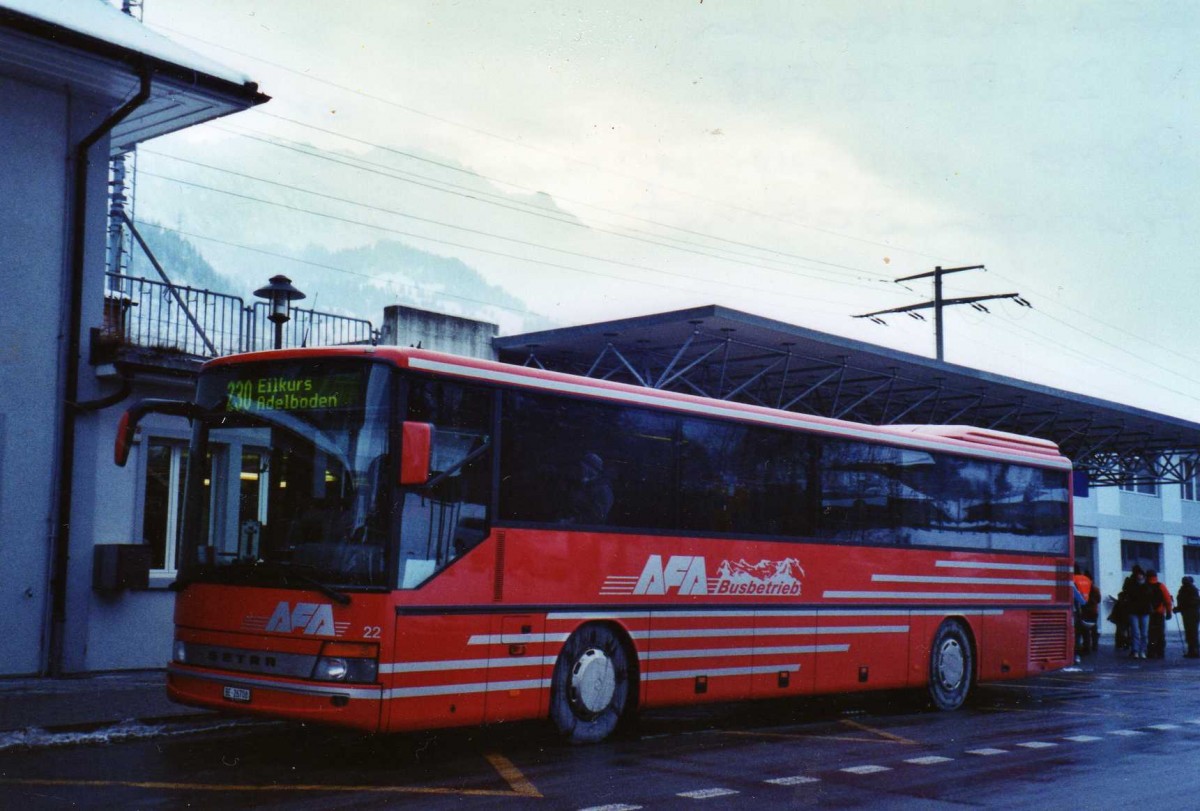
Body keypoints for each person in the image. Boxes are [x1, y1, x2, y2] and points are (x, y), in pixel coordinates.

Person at [563, 452, 614, 525]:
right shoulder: (579, 485)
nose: (579, 469)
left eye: (582, 466)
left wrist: (572, 521)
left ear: (590, 469)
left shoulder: (602, 488)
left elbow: (598, 517)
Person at [1121, 566, 1153, 660]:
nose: (1139, 576)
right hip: (1141, 610)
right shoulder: (1145, 584)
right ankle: (1140, 651)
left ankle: (1138, 651)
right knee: (1140, 632)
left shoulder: (1133, 583)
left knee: (1139, 632)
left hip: (1136, 610)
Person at [1147, 570, 1172, 659]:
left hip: (1148, 613)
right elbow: (1167, 600)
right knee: (1160, 633)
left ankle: (1151, 651)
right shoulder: (1161, 586)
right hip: (1160, 612)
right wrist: (1169, 612)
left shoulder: (1145, 586)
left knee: (1151, 633)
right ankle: (1160, 651)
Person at [1073, 566, 1096, 654]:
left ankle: (1076, 649)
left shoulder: (1073, 579)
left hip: (1077, 608)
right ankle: (1088, 648)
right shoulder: (1087, 580)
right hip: (1088, 606)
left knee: (1077, 631)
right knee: (1086, 629)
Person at [1177, 576, 1200, 659]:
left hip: (1192, 614)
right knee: (1190, 633)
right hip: (1189, 614)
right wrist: (1179, 608)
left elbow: (1190, 602)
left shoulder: (1190, 590)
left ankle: (1194, 651)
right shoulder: (1188, 590)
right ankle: (1192, 650)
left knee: (1192, 633)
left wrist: (1179, 608)